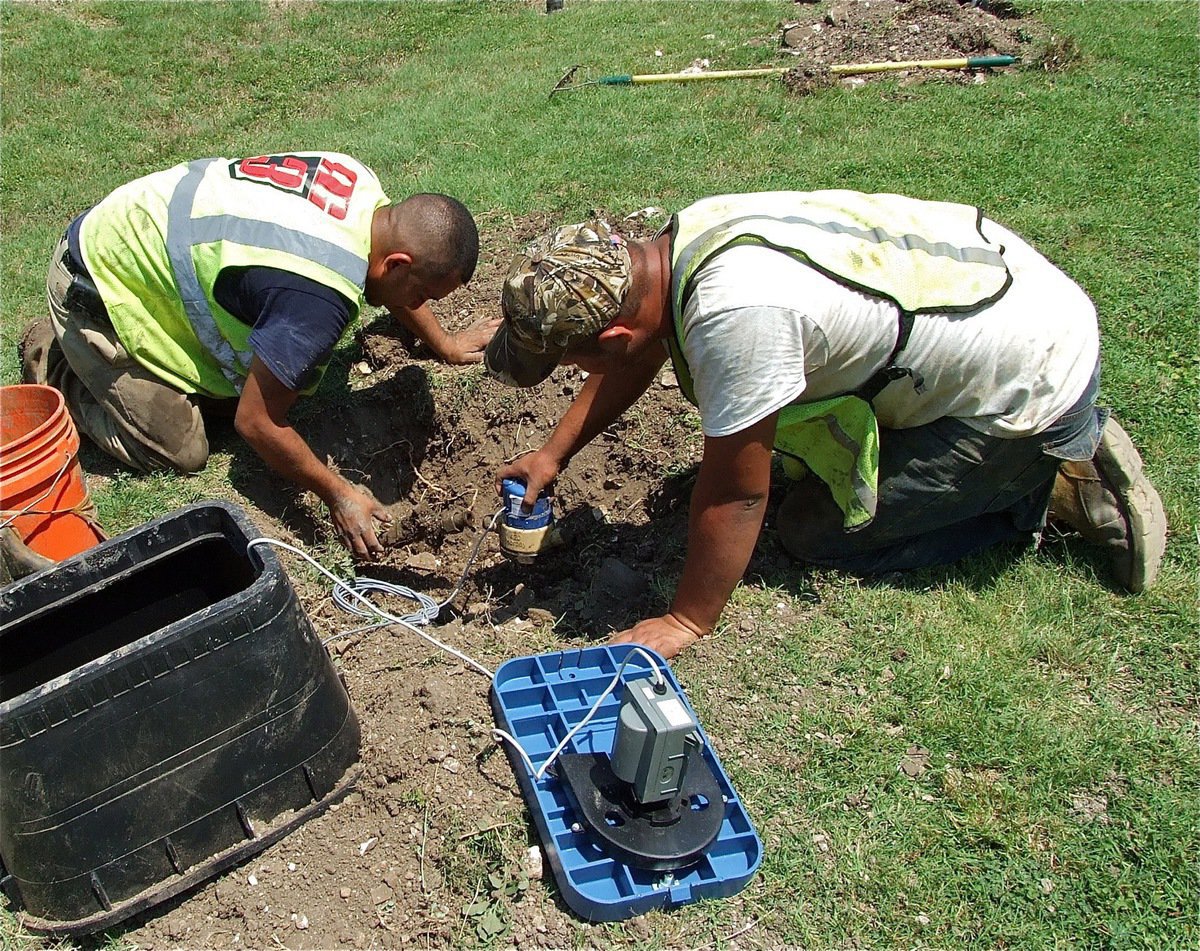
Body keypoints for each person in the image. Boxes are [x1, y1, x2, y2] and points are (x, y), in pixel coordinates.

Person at [484, 192, 1168, 660]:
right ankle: (1018, 454)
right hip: (1003, 287)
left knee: (809, 528)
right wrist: (554, 453)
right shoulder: (677, 246)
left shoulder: (734, 319)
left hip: (1033, 370)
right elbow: (638, 349)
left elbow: (736, 496)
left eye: (570, 360)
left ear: (616, 327)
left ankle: (1043, 482)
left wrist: (687, 617)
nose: (573, 371)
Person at [20, 151, 498, 560]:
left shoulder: (362, 189)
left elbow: (393, 283)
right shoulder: (319, 294)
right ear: (396, 263)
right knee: (179, 450)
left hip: (139, 225)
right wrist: (338, 493)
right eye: (426, 293)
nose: (423, 304)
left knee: (251, 382)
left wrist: (446, 344)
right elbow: (257, 423)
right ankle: (57, 359)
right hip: (99, 279)